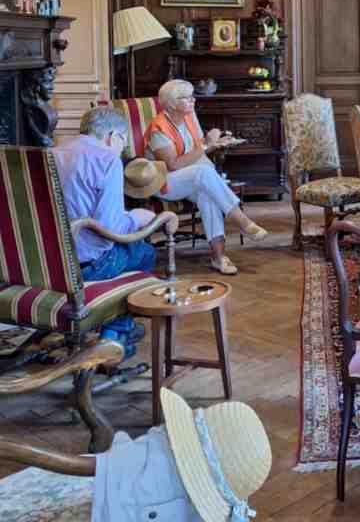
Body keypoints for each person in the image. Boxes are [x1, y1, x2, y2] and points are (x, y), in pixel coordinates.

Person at [53, 106, 162, 356]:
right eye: (123, 144)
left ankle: (115, 330)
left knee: (131, 249)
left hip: (48, 266)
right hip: (87, 267)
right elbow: (111, 230)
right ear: (114, 136)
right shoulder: (106, 159)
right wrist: (137, 218)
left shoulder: (52, 154)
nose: (121, 150)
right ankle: (113, 338)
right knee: (144, 253)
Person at [142, 79, 268, 276]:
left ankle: (218, 257)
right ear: (172, 103)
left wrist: (215, 143)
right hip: (163, 181)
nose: (193, 100)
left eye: (192, 96)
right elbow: (173, 164)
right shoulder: (159, 128)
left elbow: (198, 147)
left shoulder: (189, 117)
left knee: (208, 196)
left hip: (192, 178)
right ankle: (242, 221)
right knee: (205, 173)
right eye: (186, 98)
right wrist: (207, 145)